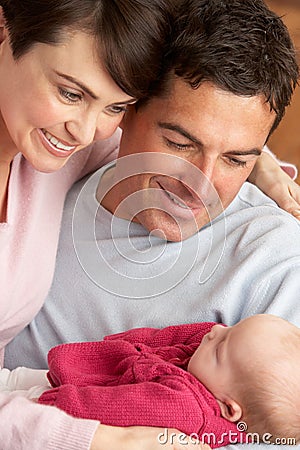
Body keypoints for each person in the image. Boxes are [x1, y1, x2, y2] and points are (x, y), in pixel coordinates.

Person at [1, 0, 299, 448]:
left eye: (237, 159)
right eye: (179, 143)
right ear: (131, 110)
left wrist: (265, 169)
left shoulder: (278, 267)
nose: (202, 182)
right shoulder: (63, 154)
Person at [0, 1, 206, 449]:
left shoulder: (53, 148)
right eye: (71, 94)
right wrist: (100, 440)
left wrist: (260, 164)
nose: (88, 130)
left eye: (116, 106)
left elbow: (163, 144)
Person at [2, 315, 300, 446]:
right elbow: (173, 337)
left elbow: (111, 408)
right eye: (232, 327)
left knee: (13, 390)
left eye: (222, 346)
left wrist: (46, 404)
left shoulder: (183, 409)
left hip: (61, 405)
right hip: (74, 382)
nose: (216, 330)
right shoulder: (214, 375)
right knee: (11, 378)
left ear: (230, 408)